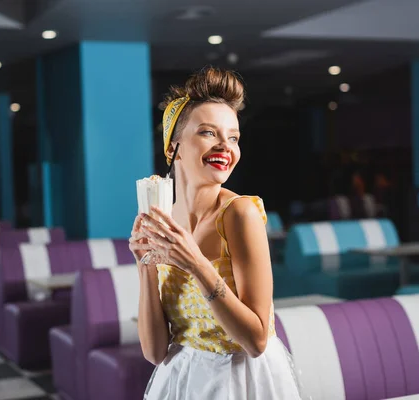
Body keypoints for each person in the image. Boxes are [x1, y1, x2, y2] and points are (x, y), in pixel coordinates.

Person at [130, 67, 304, 399]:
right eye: (209, 133)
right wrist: (146, 267)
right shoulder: (161, 220)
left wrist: (196, 264)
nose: (226, 146)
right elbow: (154, 352)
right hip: (181, 379)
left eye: (234, 136)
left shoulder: (239, 214)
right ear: (173, 148)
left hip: (240, 381)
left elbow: (255, 341)